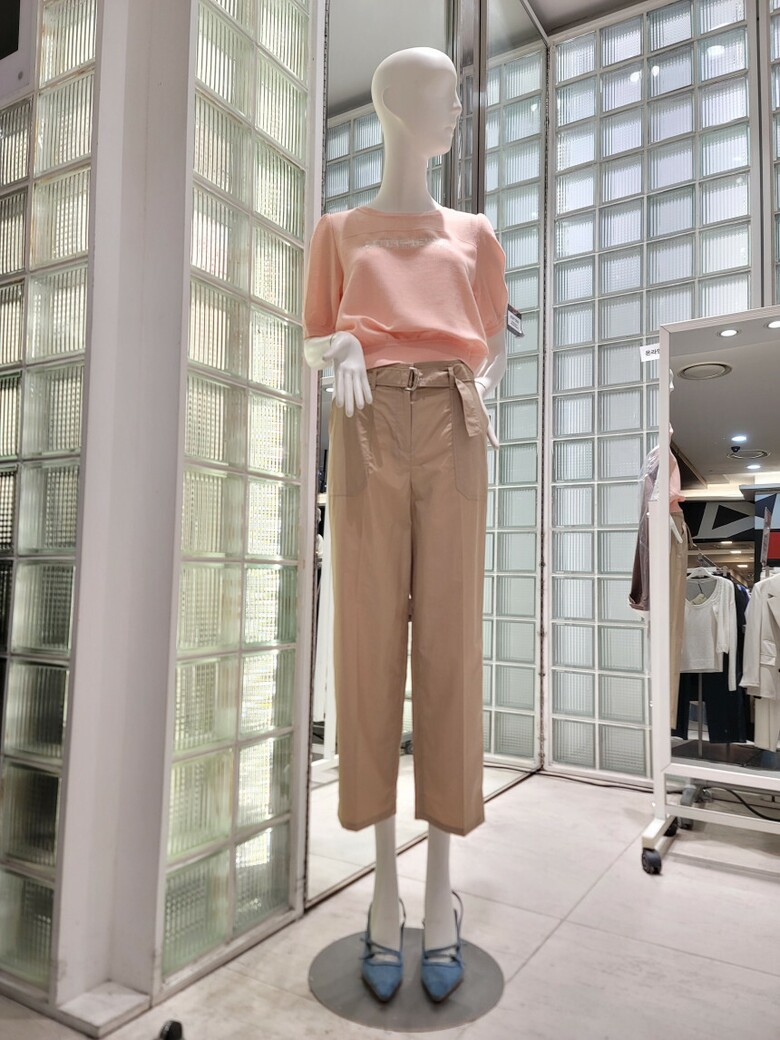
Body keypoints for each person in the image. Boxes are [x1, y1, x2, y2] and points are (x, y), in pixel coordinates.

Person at [303, 47, 508, 1003]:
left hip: (455, 423)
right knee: (369, 640)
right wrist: (342, 342)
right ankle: (384, 891)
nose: (459, 110)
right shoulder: (338, 231)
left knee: (451, 646)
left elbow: (490, 339)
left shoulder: (473, 233)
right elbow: (313, 338)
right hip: (365, 421)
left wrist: (475, 390)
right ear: (397, 106)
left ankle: (439, 888)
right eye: (448, 96)